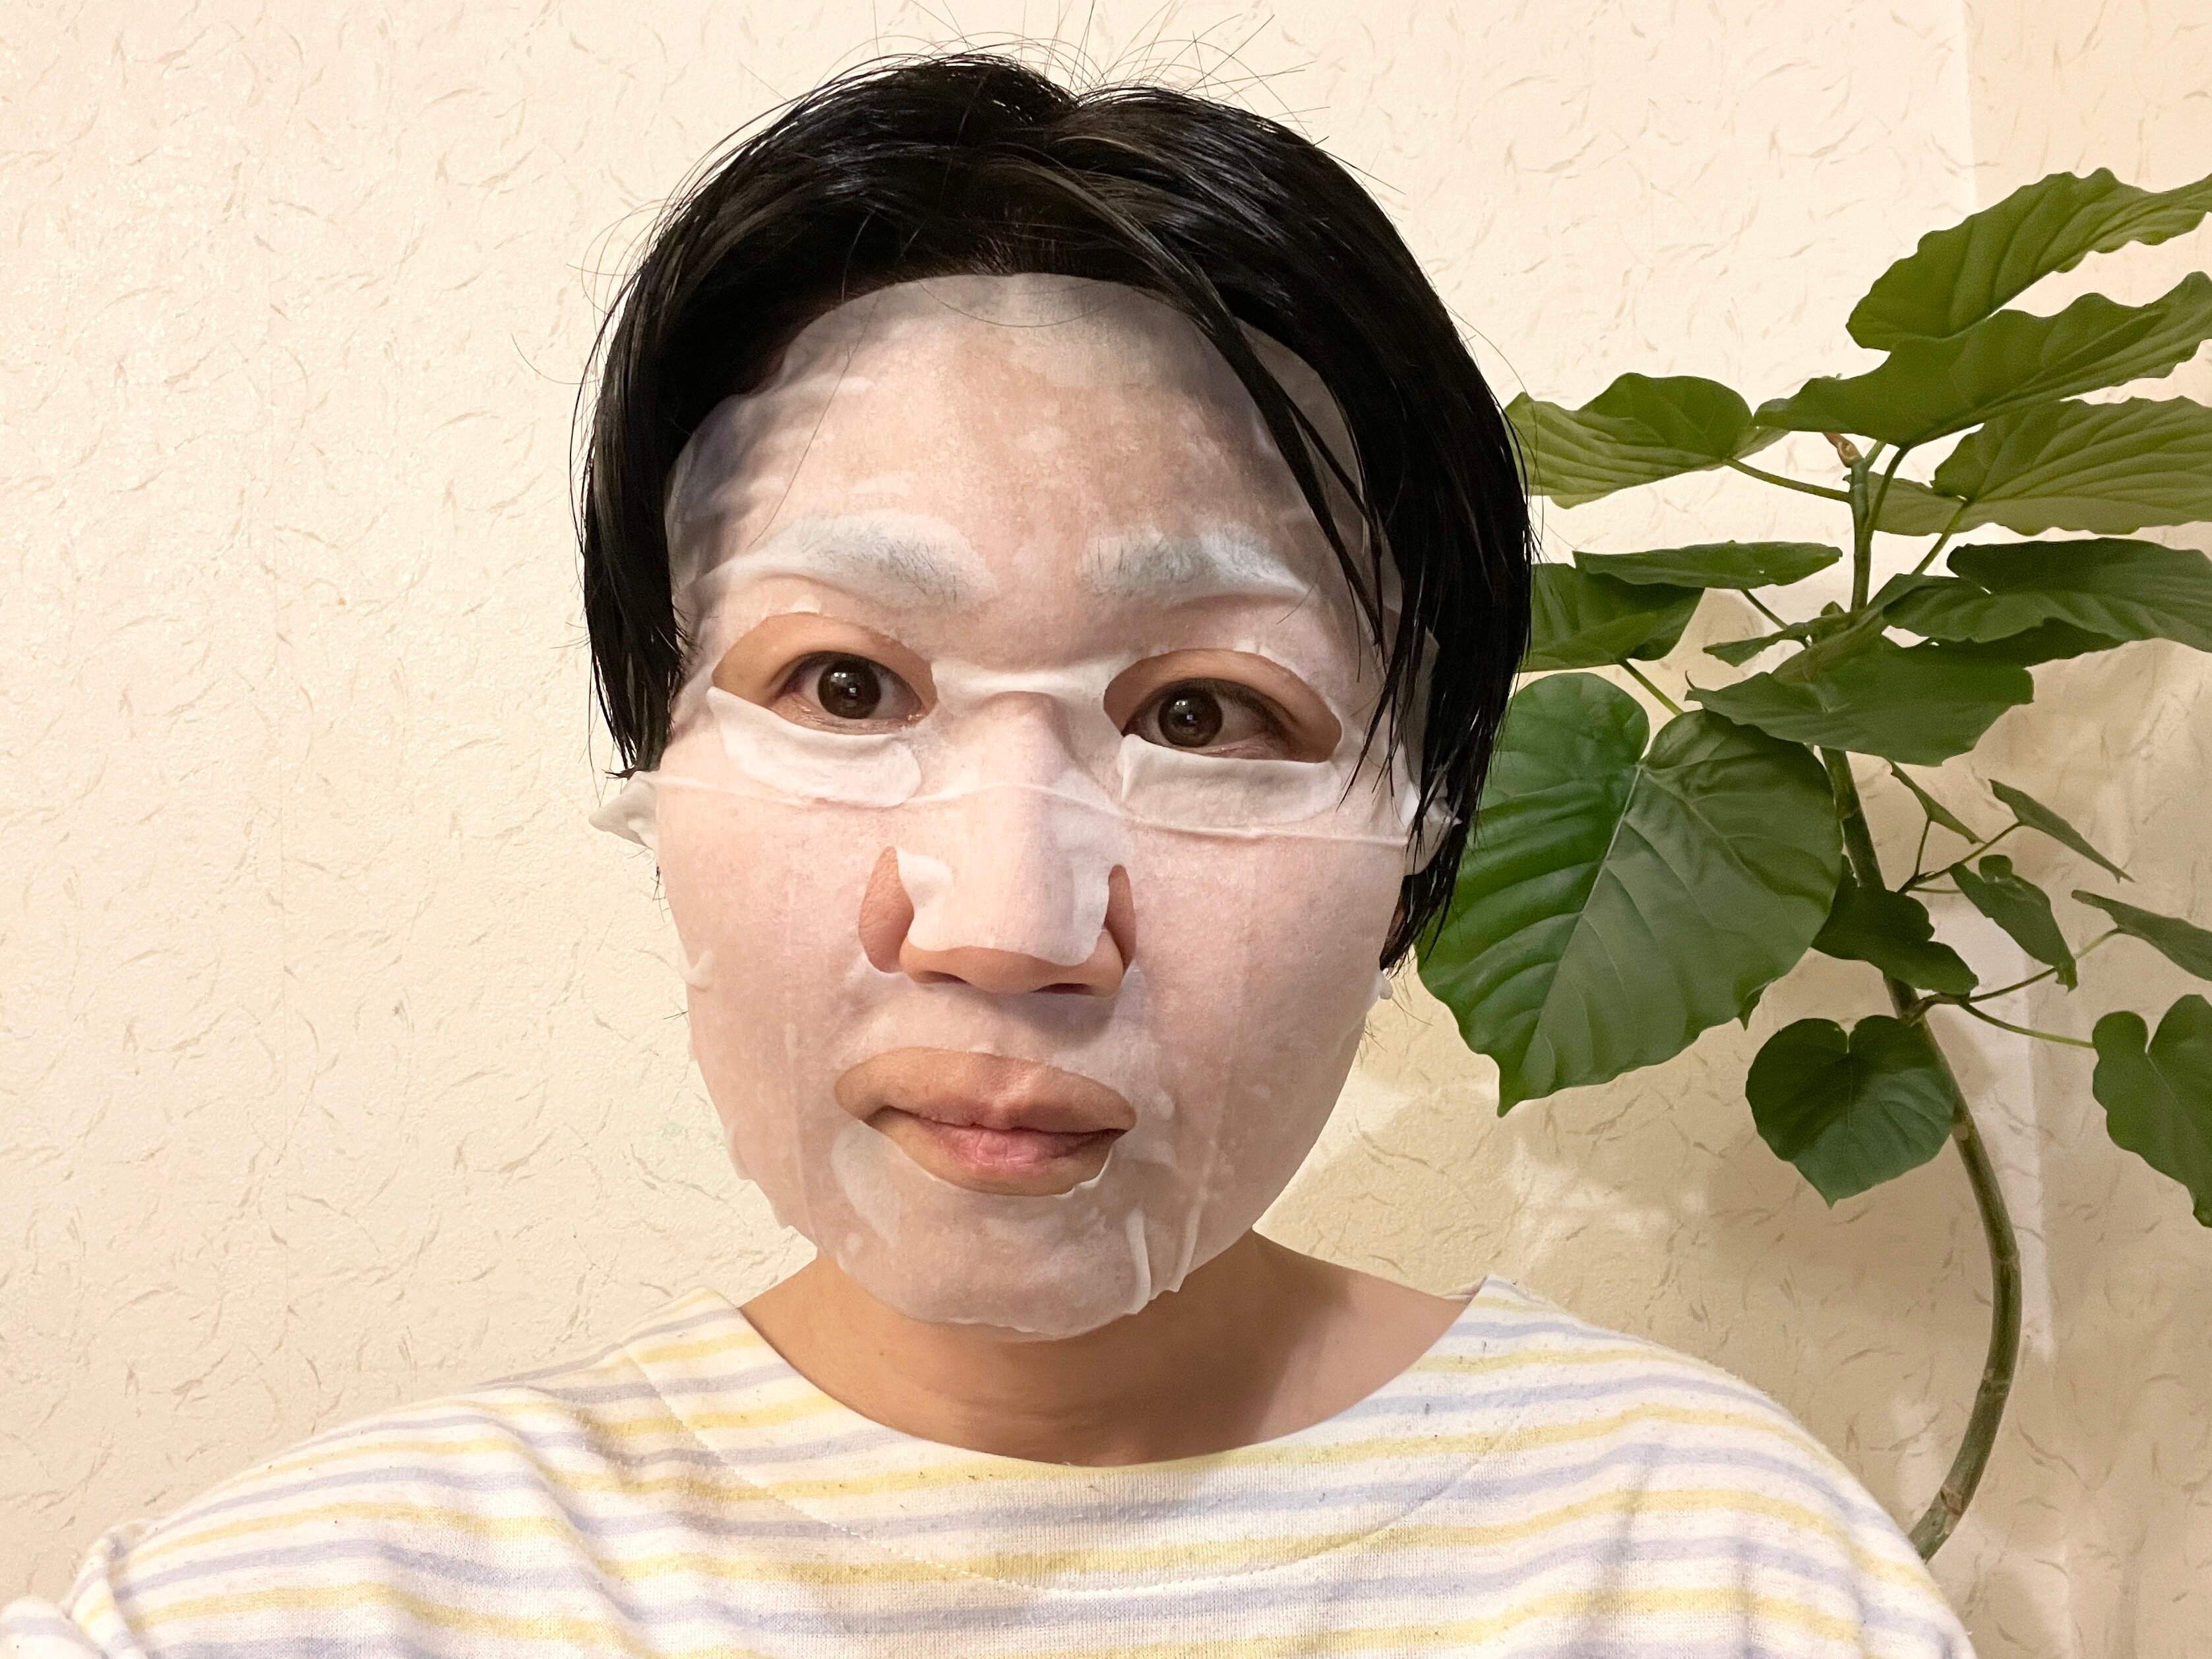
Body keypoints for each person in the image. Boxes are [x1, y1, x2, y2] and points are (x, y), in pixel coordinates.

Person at [3, 49, 1975, 1658]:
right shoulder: (308, 1606)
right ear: (658, 764)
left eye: (1203, 714)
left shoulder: (1706, 1571)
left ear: (1420, 835)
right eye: (846, 683)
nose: (1010, 926)